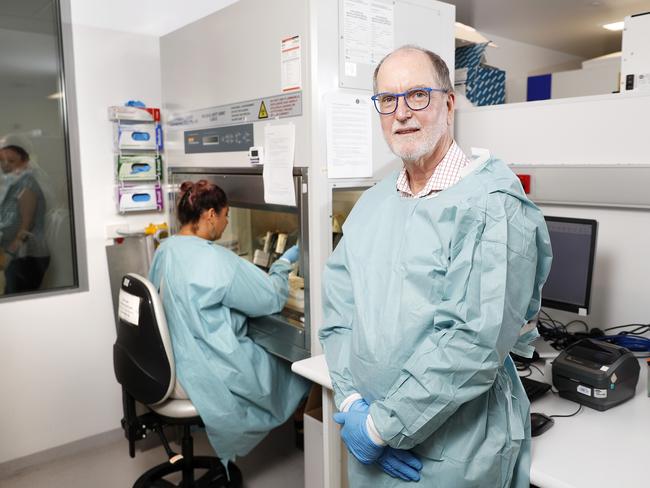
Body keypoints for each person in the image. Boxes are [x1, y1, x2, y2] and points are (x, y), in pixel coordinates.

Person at [320, 45, 553, 487]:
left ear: (449, 103)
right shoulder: (372, 205)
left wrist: (381, 427)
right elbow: (339, 315)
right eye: (387, 100)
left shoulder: (492, 208)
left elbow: (472, 345)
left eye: (418, 95)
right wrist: (351, 405)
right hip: (370, 436)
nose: (402, 112)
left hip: (453, 454)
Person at [148, 180, 310, 462]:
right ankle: (304, 431)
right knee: (297, 372)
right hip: (206, 367)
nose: (225, 223)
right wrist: (284, 263)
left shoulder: (166, 248)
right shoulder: (217, 260)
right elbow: (270, 298)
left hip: (172, 361)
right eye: (225, 216)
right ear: (210, 214)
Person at [0, 145, 49, 294]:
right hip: (17, 256)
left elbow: (26, 226)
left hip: (26, 257)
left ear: (25, 162)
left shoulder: (27, 185)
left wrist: (9, 254)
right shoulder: (13, 184)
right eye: (2, 161)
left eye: (11, 161)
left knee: (18, 303)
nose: (5, 165)